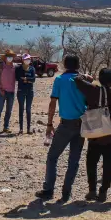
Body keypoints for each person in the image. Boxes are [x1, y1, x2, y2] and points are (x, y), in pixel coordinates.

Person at [35, 54, 85, 203]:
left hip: (66, 124)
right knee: (74, 160)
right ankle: (66, 192)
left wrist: (49, 124)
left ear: (64, 65)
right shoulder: (84, 79)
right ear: (77, 66)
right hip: (82, 124)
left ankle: (49, 190)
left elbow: (52, 103)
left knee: (52, 157)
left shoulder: (59, 80)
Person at [75, 68, 111, 202]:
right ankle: (103, 191)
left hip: (96, 134)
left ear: (100, 78)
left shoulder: (94, 90)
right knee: (108, 164)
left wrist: (86, 77)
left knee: (91, 162)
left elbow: (77, 80)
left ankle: (92, 190)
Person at [0, 49, 18, 134]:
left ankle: (6, 127)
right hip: (2, 92)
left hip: (11, 92)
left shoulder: (15, 67)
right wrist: (0, 89)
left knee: (8, 111)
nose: (10, 58)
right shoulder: (0, 67)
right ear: (5, 58)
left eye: (11, 57)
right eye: (8, 57)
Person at [15, 54, 37, 134]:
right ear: (22, 60)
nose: (27, 60)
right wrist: (28, 79)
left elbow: (33, 79)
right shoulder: (18, 68)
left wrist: (26, 79)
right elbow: (17, 78)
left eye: (28, 59)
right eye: (25, 59)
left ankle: (28, 129)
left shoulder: (32, 69)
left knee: (28, 109)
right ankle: (21, 128)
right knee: (21, 109)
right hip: (21, 91)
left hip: (29, 91)